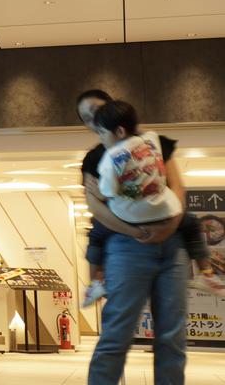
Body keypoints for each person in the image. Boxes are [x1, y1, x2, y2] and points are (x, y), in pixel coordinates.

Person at [76, 90, 189, 385]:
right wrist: (136, 232)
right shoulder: (95, 158)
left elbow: (178, 187)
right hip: (126, 248)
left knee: (172, 336)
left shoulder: (157, 144)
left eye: (96, 112)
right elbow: (95, 206)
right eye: (86, 118)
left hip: (172, 248)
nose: (92, 121)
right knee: (117, 334)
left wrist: (170, 226)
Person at [82, 100, 225, 306]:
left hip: (132, 217)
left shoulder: (110, 157)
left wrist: (103, 195)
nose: (100, 137)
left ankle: (95, 281)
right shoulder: (151, 140)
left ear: (119, 131)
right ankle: (207, 273)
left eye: (102, 132)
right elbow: (175, 184)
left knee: (96, 233)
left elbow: (107, 191)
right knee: (192, 224)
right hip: (165, 209)